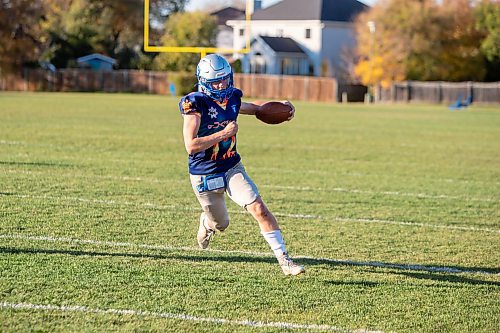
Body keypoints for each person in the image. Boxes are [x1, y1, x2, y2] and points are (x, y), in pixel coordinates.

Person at [178, 54, 305, 276]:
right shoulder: (195, 104)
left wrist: (282, 109)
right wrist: (223, 133)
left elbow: (256, 109)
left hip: (231, 167)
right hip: (204, 173)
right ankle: (208, 223)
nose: (221, 85)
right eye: (216, 81)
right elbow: (191, 146)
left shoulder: (232, 98)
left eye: (225, 79)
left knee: (259, 209)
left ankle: (285, 261)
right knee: (221, 224)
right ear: (203, 82)